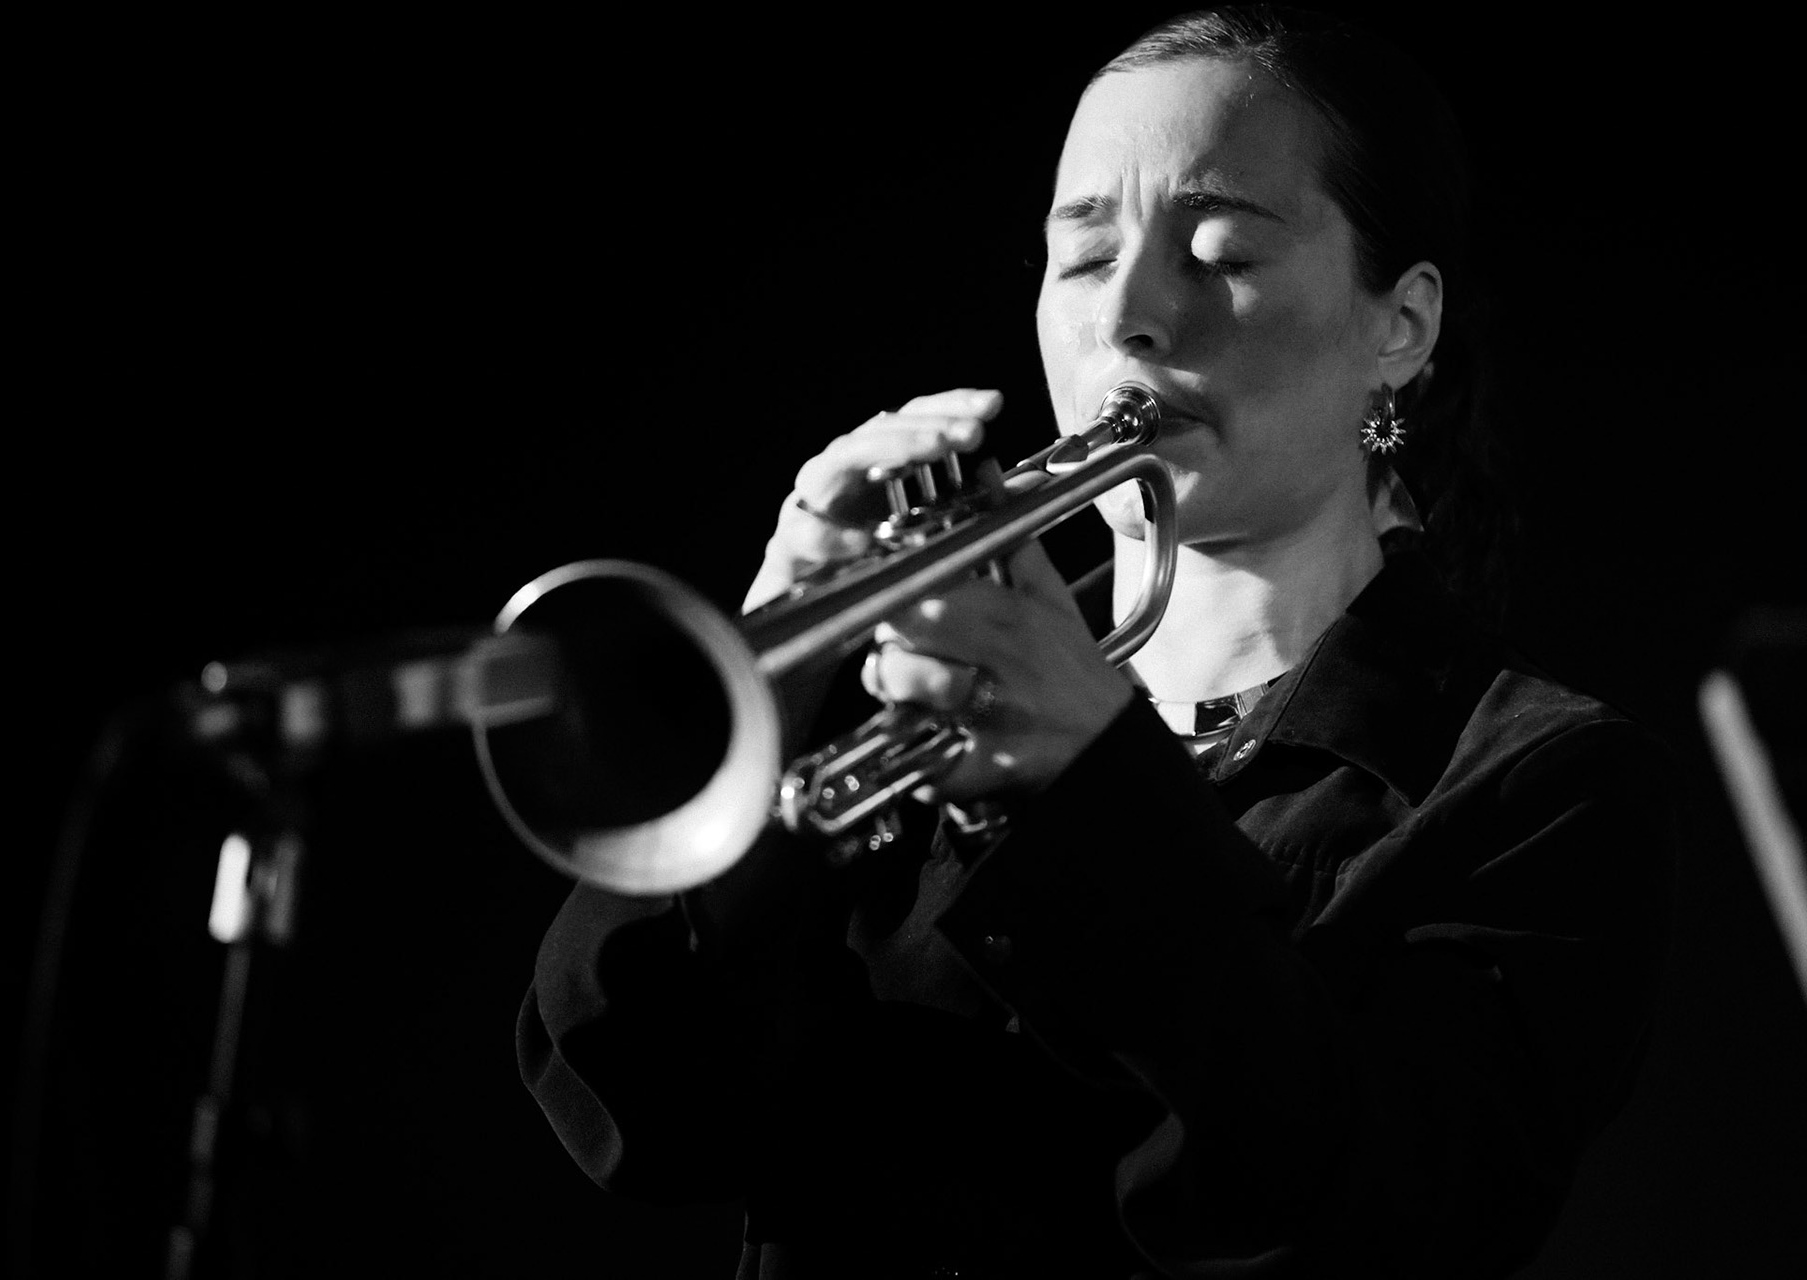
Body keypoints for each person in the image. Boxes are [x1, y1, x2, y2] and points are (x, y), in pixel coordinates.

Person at [518, 7, 1677, 1277]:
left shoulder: (1542, 783)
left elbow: (1380, 1212)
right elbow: (636, 1111)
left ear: (1398, 326)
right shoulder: (889, 700)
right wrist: (773, 670)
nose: (1128, 315)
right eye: (1082, 258)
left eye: (1220, 252)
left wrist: (1092, 784)